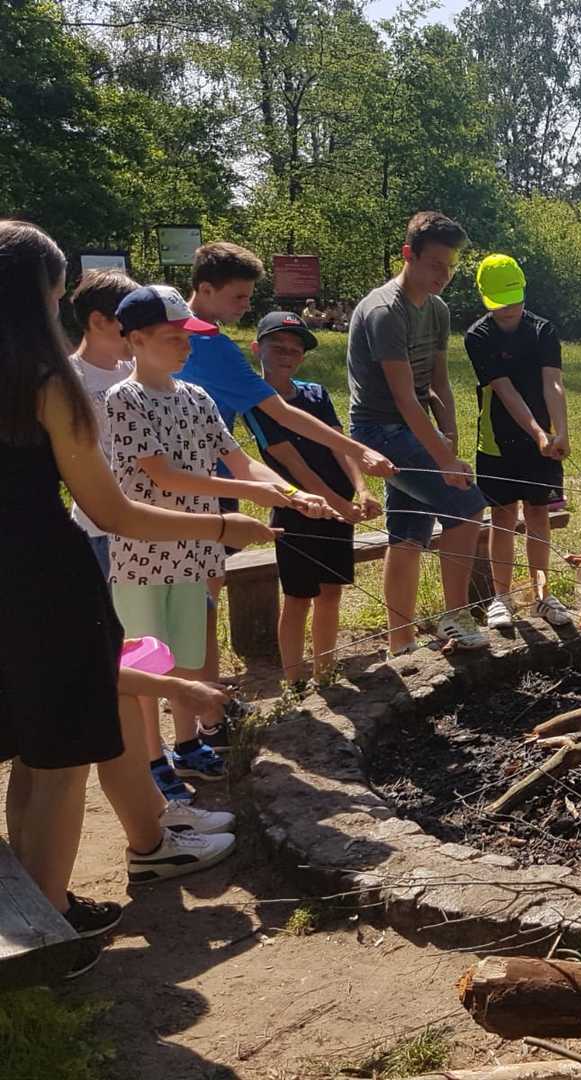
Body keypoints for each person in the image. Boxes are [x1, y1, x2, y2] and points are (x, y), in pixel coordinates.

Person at [0, 220, 272, 977]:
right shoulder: (47, 383)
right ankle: (48, 934)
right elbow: (112, 510)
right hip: (45, 582)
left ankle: (32, 901)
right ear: (42, 297)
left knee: (25, 744)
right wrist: (222, 525)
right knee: (54, 764)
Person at [107, 285, 335, 802]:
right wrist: (252, 491)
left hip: (196, 548)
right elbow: (165, 477)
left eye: (190, 336)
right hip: (143, 551)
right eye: (173, 337)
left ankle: (187, 744)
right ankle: (151, 756)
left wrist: (291, 492)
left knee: (187, 651)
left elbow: (238, 459)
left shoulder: (198, 397)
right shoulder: (125, 399)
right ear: (137, 339)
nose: (187, 347)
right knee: (148, 661)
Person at [178, 242, 393, 744]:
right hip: (184, 488)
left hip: (219, 480)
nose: (242, 308)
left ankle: (204, 711)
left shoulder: (206, 341)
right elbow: (280, 418)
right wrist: (354, 454)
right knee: (193, 604)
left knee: (203, 597)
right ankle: (199, 719)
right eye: (237, 298)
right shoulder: (199, 344)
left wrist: (333, 480)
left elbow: (232, 445)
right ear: (204, 289)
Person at [347, 211, 489, 654]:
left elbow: (438, 382)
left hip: (415, 429)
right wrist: (444, 460)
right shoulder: (385, 311)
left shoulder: (439, 310)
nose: (443, 276)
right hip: (380, 432)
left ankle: (400, 643)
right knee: (467, 506)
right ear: (409, 254)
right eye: (434, 266)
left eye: (449, 267)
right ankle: (454, 614)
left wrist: (450, 437)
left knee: (408, 534)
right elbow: (405, 397)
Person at [242, 312, 381, 686]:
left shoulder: (316, 394)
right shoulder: (255, 402)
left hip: (338, 508)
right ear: (258, 348)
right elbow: (292, 462)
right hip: (297, 510)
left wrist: (362, 490)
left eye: (295, 349)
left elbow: (340, 446)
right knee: (299, 596)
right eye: (278, 347)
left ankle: (325, 670)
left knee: (332, 591)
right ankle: (294, 679)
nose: (287, 354)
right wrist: (339, 505)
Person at [464, 254, 573, 629]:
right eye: (500, 302)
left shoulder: (543, 330)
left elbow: (552, 383)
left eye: (514, 299)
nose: (509, 308)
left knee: (539, 514)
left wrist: (560, 431)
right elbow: (504, 390)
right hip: (497, 440)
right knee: (504, 517)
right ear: (485, 298)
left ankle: (543, 596)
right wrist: (538, 433)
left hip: (542, 439)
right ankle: (501, 598)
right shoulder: (478, 335)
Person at [68, 268, 139, 574]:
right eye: (130, 324)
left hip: (145, 518)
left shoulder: (136, 369)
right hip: (97, 528)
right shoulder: (69, 379)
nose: (139, 333)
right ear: (98, 321)